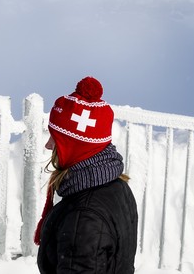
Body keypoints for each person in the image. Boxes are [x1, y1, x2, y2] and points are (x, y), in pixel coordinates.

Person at [35, 76, 138, 274]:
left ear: (75, 146)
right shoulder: (117, 186)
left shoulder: (83, 217)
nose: (48, 145)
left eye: (56, 138)